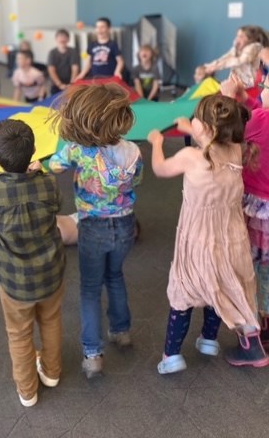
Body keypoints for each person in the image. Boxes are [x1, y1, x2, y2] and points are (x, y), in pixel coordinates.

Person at [148, 94, 269, 374]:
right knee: (222, 286)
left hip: (199, 238)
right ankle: (209, 340)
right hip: (232, 236)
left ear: (207, 127)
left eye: (196, 119)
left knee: (185, 291)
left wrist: (157, 143)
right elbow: (217, 142)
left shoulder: (191, 157)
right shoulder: (236, 149)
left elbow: (160, 168)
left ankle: (172, 356)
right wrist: (192, 130)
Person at [48, 84, 143, 378]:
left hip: (92, 226)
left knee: (90, 288)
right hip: (126, 225)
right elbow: (135, 181)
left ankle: (92, 354)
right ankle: (122, 330)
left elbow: (55, 166)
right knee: (115, 276)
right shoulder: (133, 150)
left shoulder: (78, 150)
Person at [0, 119, 65, 407]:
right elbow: (55, 204)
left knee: (19, 334)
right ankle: (52, 373)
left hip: (14, 279)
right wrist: (38, 174)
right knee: (51, 321)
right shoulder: (48, 183)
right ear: (34, 153)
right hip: (50, 272)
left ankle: (27, 391)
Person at [221, 72, 269, 344]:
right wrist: (245, 102)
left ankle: (254, 331)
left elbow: (227, 129)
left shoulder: (262, 119)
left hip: (259, 209)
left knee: (253, 267)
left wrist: (229, 97)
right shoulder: (261, 116)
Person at [202, 25, 268, 88]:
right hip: (241, 83)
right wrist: (211, 66)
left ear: (250, 38)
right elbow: (227, 56)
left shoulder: (255, 46)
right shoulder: (238, 46)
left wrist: (216, 67)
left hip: (251, 85)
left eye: (241, 36)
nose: (237, 39)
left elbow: (240, 61)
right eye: (237, 36)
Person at [47, 29, 80, 96]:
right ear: (56, 39)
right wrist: (60, 84)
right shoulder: (52, 53)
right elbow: (51, 70)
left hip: (70, 82)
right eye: (60, 37)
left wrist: (71, 84)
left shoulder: (73, 52)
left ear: (68, 39)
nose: (62, 39)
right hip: (56, 84)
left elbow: (75, 69)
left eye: (64, 37)